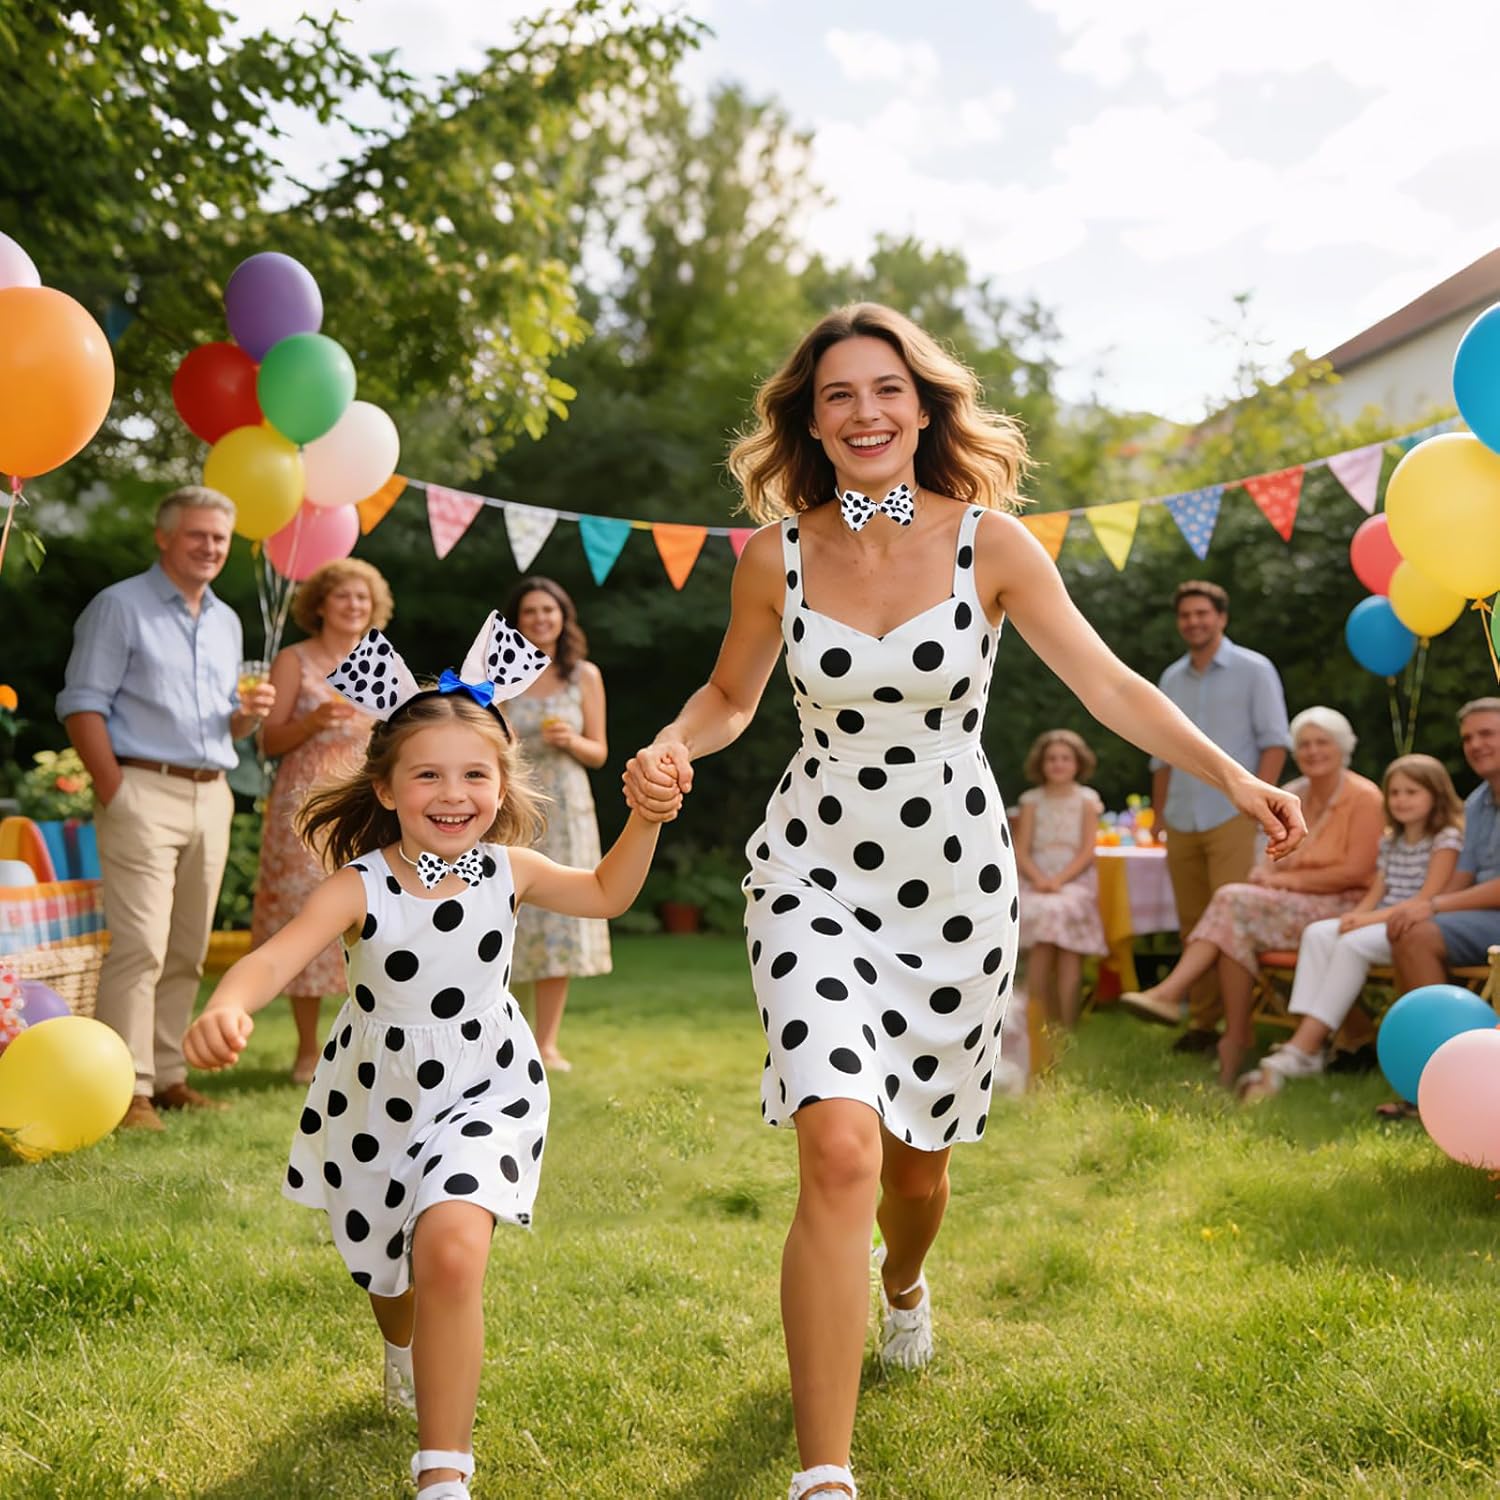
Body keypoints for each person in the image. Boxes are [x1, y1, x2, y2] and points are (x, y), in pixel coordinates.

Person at [621, 303, 1304, 1500]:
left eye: (888, 389)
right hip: (813, 866)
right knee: (835, 1145)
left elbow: (1107, 685)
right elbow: (730, 696)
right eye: (839, 395)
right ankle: (824, 1474)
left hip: (953, 884)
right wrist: (675, 742)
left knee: (914, 1174)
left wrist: (1235, 775)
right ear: (811, 421)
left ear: (925, 405)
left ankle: (904, 1285)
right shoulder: (772, 556)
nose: (867, 411)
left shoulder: (993, 544)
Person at [182, 612, 671, 1500]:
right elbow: (273, 959)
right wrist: (226, 1002)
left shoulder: (510, 869)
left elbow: (604, 892)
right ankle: (401, 1348)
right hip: (375, 1096)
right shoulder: (358, 886)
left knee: (450, 1247)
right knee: (387, 1271)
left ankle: (442, 1469)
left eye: (475, 773)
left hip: (488, 1081)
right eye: (429, 774)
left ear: (501, 780)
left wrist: (643, 819)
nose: (455, 792)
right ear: (386, 786)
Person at [57, 486, 276, 1132]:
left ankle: (169, 1074)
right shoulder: (118, 607)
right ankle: (124, 1092)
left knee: (187, 947)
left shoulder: (227, 620)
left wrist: (243, 719)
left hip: (212, 792)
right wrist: (113, 788)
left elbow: (217, 728)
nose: (210, 547)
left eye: (219, 538)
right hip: (140, 790)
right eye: (197, 535)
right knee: (140, 947)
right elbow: (81, 704)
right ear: (164, 537)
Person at [1120, 707, 1383, 1086]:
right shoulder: (1291, 793)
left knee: (1231, 902)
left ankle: (1184, 1002)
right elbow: (1270, 855)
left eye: (1322, 743)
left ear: (1342, 747)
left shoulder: (1364, 797)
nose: (1312, 751)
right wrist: (1267, 875)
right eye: (1304, 744)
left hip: (1343, 908)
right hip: (1284, 907)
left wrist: (1285, 883)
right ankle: (1234, 1039)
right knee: (1235, 926)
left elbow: (1358, 871)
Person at [1237, 753, 1464, 1099]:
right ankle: (1308, 1042)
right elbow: (1378, 890)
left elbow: (1426, 899)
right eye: (1396, 793)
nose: (1401, 800)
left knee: (1351, 944)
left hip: (1411, 925)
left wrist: (1366, 921)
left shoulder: (1446, 838)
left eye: (1412, 792)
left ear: (1436, 795)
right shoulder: (1392, 839)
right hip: (1381, 919)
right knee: (1319, 932)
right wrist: (1355, 915)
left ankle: (1303, 1048)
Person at [252, 559, 388, 1082]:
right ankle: (308, 1049)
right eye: (343, 597)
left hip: (366, 797)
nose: (354, 606)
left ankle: (366, 1042)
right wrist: (310, 723)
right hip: (303, 801)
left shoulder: (378, 658)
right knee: (303, 914)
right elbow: (267, 740)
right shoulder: (294, 659)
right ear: (321, 605)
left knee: (374, 914)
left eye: (362, 597)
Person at [1150, 581, 1291, 1055]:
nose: (1194, 621)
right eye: (1185, 615)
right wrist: (1158, 813)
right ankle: (1203, 1025)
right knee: (1193, 926)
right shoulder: (1171, 678)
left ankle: (1239, 1028)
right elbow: (1161, 754)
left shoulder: (1255, 669)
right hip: (1181, 816)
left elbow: (1275, 741)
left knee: (1230, 926)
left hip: (1234, 815)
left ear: (1221, 618)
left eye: (1202, 614)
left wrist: (1260, 808)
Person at [502, 576, 610, 1073]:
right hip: (514, 803)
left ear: (564, 617)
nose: (541, 619)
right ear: (517, 621)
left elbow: (600, 752)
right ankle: (499, 1031)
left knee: (559, 918)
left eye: (549, 610)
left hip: (566, 807)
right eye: (530, 612)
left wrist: (571, 740)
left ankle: (546, 1042)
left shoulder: (583, 676)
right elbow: (489, 741)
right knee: (507, 912)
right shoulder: (502, 673)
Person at [1388, 698, 1500, 996]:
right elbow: (1463, 875)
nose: (1475, 744)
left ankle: (1451, 1039)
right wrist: (1419, 909)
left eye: (1486, 734)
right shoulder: (1477, 802)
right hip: (1485, 917)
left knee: (1419, 934)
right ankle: (1429, 1034)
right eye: (1467, 738)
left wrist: (1434, 906)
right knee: (1404, 926)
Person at [1013, 728, 1108, 1029]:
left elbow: (1087, 850)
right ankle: (1036, 1021)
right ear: (1041, 764)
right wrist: (1040, 879)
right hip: (1036, 880)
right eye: (1051, 758)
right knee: (1043, 930)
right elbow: (1021, 849)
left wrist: (1060, 881)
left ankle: (1066, 1022)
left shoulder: (1086, 800)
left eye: (1065, 758)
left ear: (1078, 763)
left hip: (1074, 881)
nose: (1058, 764)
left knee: (1067, 944)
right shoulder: (1031, 801)